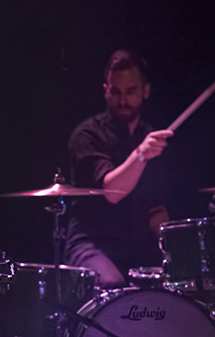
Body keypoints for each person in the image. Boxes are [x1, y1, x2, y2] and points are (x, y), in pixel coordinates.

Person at [64, 49, 174, 287]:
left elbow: (155, 210)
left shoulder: (150, 138)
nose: (122, 101)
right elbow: (112, 191)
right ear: (106, 90)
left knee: (176, 281)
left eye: (130, 91)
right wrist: (141, 154)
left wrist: (174, 240)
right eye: (115, 92)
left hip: (135, 246)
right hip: (91, 244)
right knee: (112, 283)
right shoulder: (87, 136)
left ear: (145, 91)